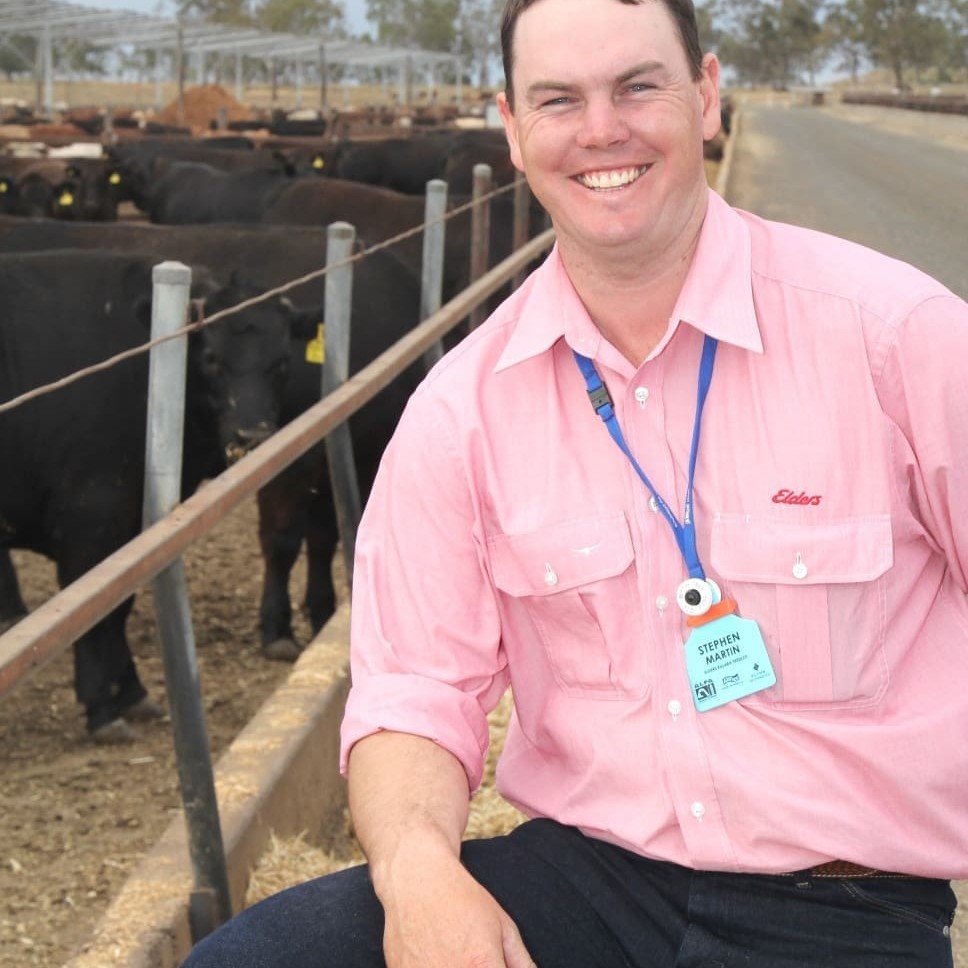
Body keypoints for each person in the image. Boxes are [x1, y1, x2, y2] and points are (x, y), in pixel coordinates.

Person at [183, 0, 967, 965]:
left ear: (708, 97)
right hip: (588, 883)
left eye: (638, 86)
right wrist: (421, 876)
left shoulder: (897, 338)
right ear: (512, 130)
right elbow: (414, 694)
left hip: (845, 912)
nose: (602, 130)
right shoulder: (462, 408)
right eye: (559, 99)